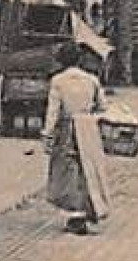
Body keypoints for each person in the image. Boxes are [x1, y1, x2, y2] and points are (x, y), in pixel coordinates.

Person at [42, 41, 112, 234]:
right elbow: (103, 107)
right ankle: (90, 208)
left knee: (67, 169)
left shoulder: (58, 81)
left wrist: (47, 134)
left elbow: (53, 110)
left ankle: (75, 214)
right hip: (88, 127)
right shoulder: (91, 80)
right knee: (87, 168)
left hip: (67, 126)